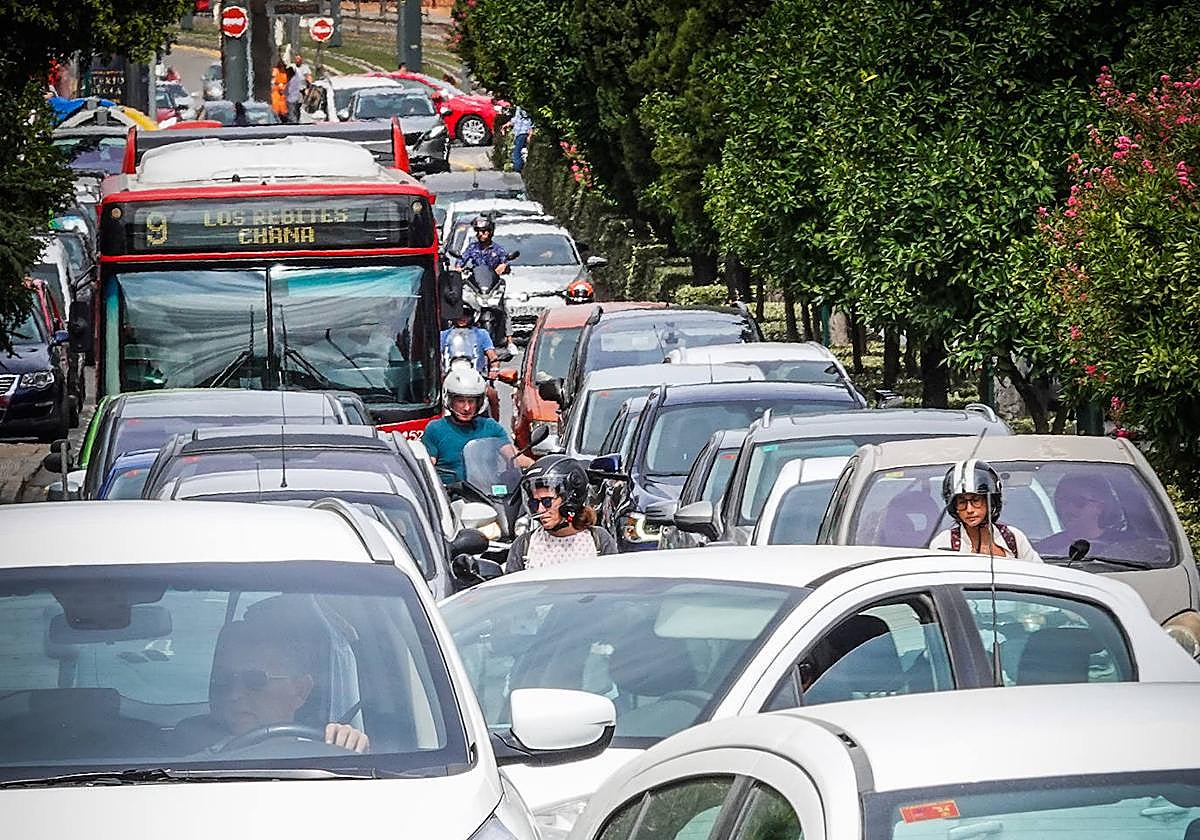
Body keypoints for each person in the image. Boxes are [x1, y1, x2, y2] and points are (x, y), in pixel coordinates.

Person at [172, 618, 368, 753]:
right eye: (225, 679)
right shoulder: (192, 760)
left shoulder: (329, 755)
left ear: (300, 690)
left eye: (255, 681)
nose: (234, 694)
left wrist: (352, 747)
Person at [506, 456, 618, 571]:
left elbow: (613, 582)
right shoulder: (525, 545)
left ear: (571, 499)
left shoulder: (597, 540)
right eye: (534, 502)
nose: (540, 509)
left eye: (547, 501)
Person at [424, 367, 532, 485]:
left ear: (479, 402)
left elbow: (514, 458)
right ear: (450, 400)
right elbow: (427, 466)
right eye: (461, 401)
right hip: (451, 496)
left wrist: (538, 466)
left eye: (471, 401)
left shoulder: (491, 427)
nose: (467, 408)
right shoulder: (435, 428)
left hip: (488, 494)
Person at [929, 459, 1042, 562]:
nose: (969, 510)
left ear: (990, 502)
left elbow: (1039, 574)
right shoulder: (944, 542)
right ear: (954, 507)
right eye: (962, 503)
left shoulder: (1013, 538)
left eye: (976, 500)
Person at [457, 216, 515, 352]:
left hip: (492, 287)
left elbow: (506, 263)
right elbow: (462, 261)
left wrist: (504, 266)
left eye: (484, 231)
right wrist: (458, 268)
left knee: (505, 308)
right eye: (478, 231)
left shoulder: (497, 250)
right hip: (476, 288)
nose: (480, 234)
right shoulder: (472, 248)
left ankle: (510, 341)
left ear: (490, 232)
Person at [440, 305, 501, 419]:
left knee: (492, 394)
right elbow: (435, 357)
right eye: (458, 314)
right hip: (449, 378)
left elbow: (492, 357)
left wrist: (494, 370)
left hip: (477, 378)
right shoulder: (443, 335)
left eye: (466, 314)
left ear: (473, 315)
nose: (462, 317)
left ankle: (494, 426)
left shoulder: (482, 334)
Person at [286, 52, 312, 123]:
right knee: (292, 107)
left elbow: (309, 78)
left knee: (299, 106)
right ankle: (293, 120)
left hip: (301, 91)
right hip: (292, 91)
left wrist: (309, 88)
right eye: (296, 59)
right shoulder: (293, 67)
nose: (297, 60)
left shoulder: (305, 68)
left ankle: (298, 119)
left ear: (301, 60)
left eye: (299, 59)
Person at [508, 106, 533, 173]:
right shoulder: (519, 108)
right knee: (517, 151)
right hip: (517, 132)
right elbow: (516, 118)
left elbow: (531, 124)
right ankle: (518, 168)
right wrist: (508, 124)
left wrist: (529, 136)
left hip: (523, 133)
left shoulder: (529, 108)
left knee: (516, 152)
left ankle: (518, 169)